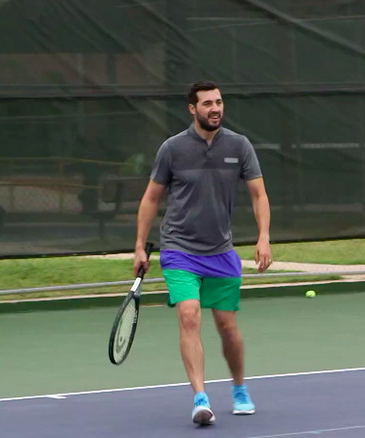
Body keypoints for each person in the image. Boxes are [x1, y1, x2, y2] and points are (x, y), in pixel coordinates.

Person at [133, 81, 273, 425]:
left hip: (221, 251)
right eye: (208, 103)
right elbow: (151, 198)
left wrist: (264, 236)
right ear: (192, 109)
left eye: (219, 102)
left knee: (227, 326)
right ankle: (200, 397)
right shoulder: (173, 149)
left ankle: (239, 388)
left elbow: (259, 194)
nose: (215, 108)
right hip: (179, 249)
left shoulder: (239, 146)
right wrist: (139, 244)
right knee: (189, 315)